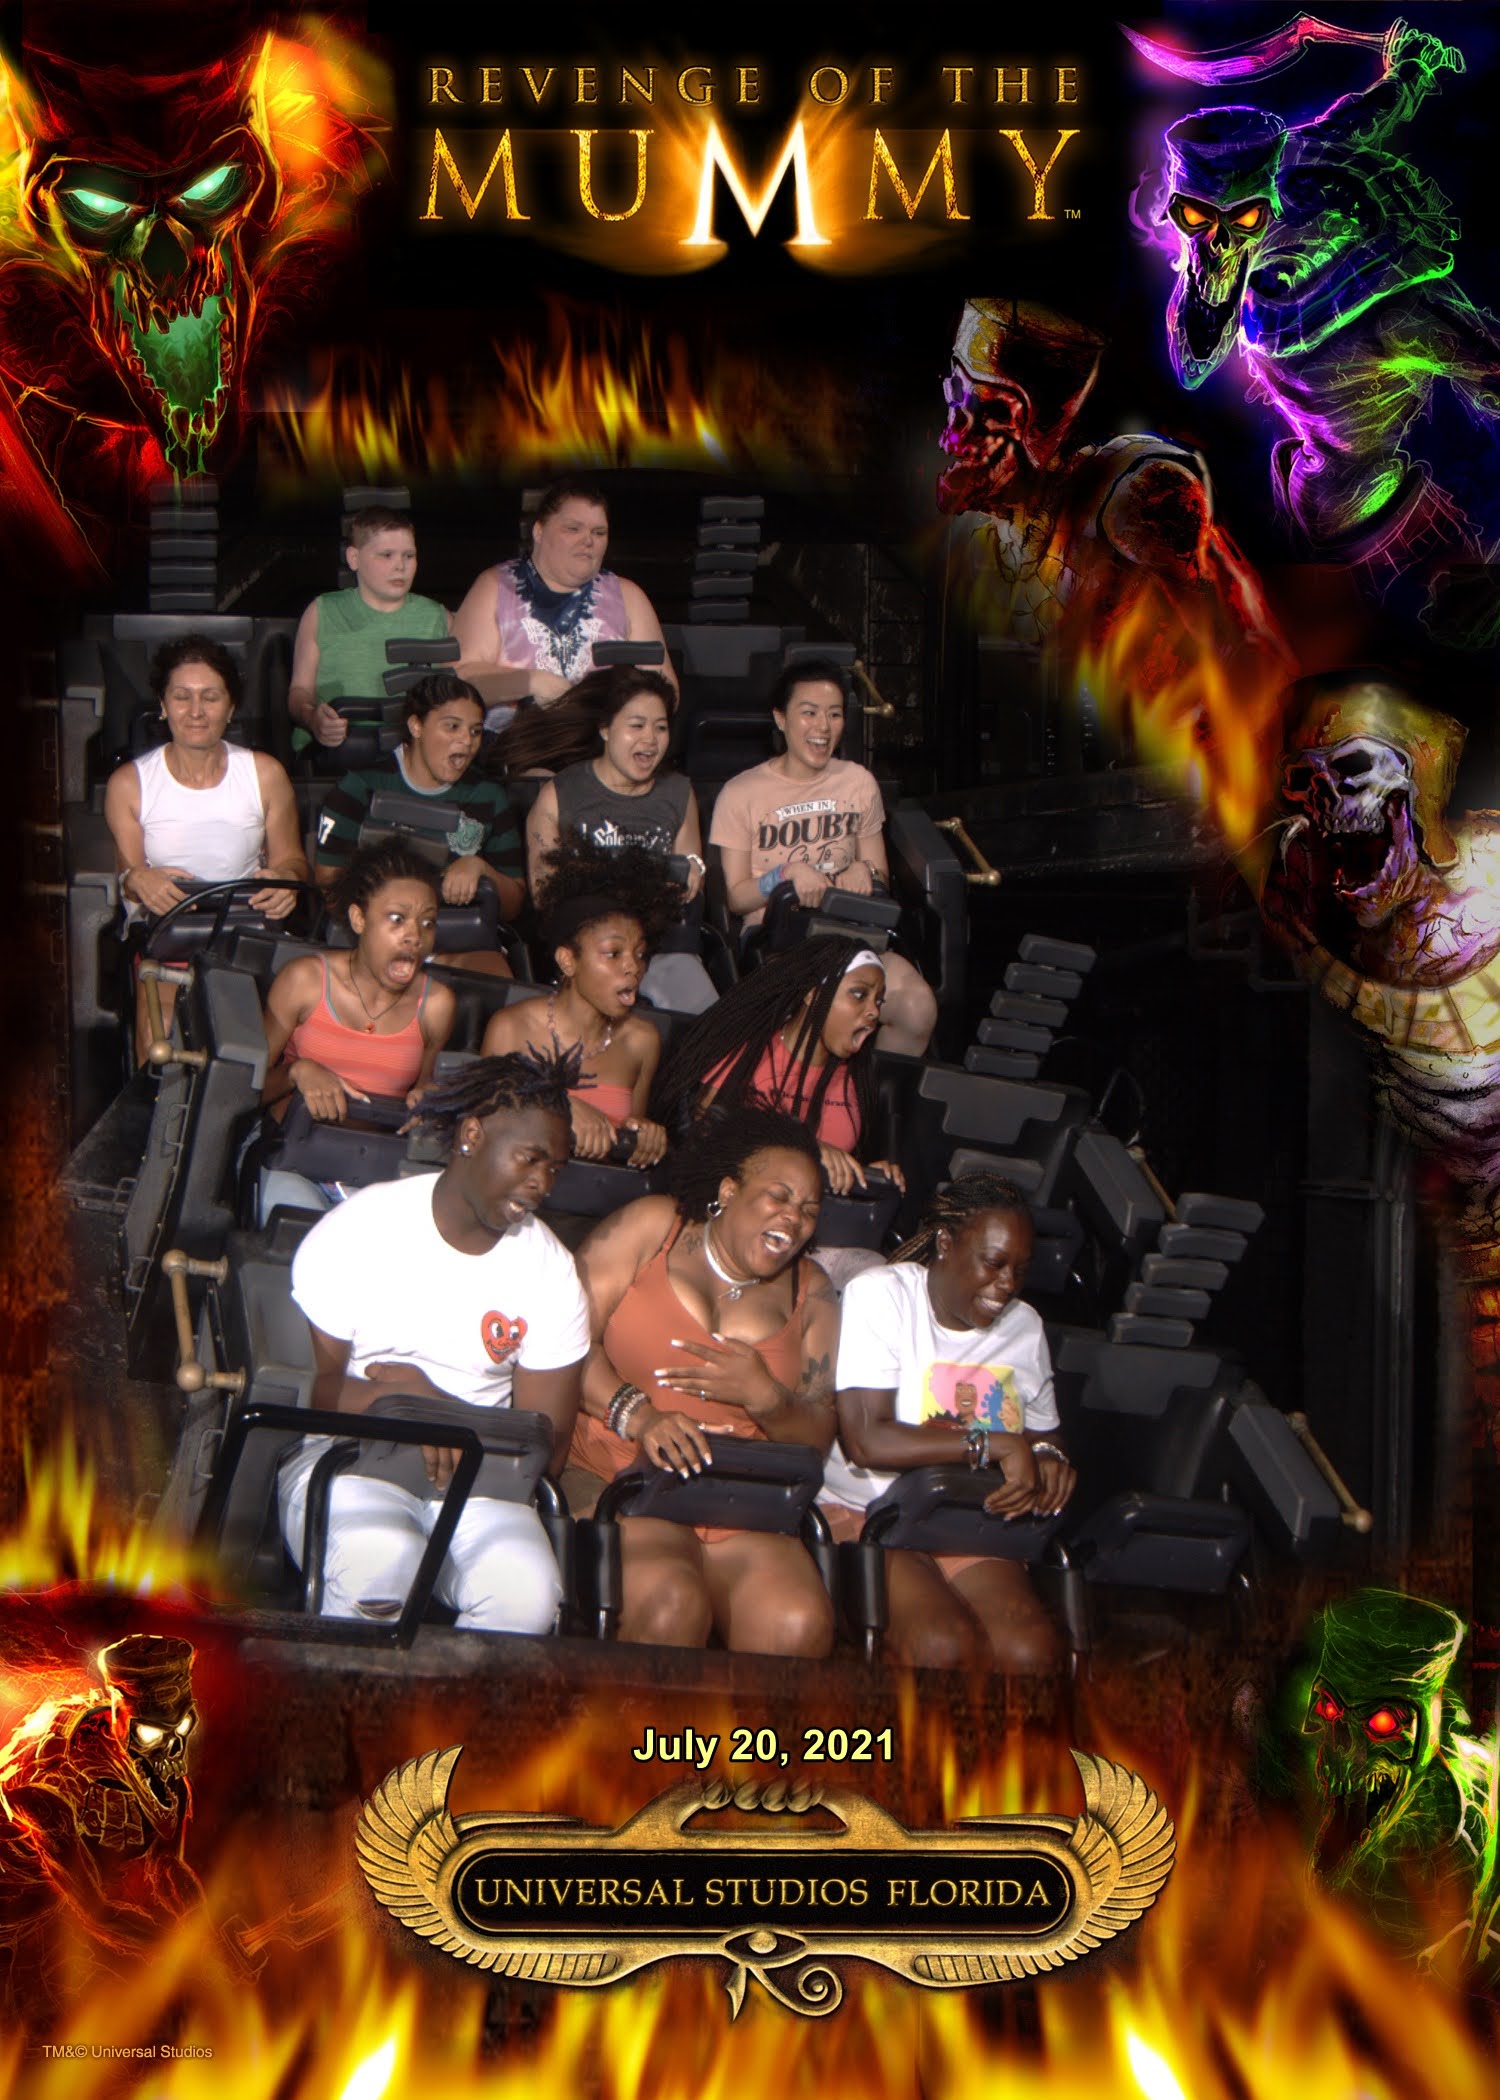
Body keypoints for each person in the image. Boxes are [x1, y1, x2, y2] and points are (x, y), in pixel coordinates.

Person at [277, 1050, 588, 1634]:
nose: (543, 1183)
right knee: (380, 1560)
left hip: (482, 1477)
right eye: (530, 1158)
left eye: (556, 1168)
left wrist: (436, 1412)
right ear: (471, 1136)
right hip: (349, 1457)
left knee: (527, 1597)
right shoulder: (363, 1227)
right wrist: (406, 1411)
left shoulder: (551, 1268)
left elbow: (548, 1444)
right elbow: (309, 1393)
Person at [568, 1107, 839, 1657]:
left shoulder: (813, 1290)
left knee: (798, 1623)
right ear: (729, 1190)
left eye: (809, 1210)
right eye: (779, 1196)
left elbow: (818, 1436)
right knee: (671, 1602)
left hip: (739, 1500)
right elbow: (562, 1343)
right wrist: (642, 1416)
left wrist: (766, 1398)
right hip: (623, 1476)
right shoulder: (654, 1227)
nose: (794, 1219)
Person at [822, 1173, 1077, 1673]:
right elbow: (866, 1441)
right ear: (945, 1243)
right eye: (994, 1263)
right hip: (872, 1514)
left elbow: (1045, 1432)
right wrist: (994, 1444)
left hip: (970, 1520)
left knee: (1029, 1653)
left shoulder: (1025, 1327)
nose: (1007, 1285)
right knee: (940, 1645)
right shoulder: (884, 1296)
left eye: (1020, 1270)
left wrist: (1050, 1457)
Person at [709, 658, 937, 1054]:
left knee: (917, 1007)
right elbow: (735, 897)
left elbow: (879, 872)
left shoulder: (857, 782)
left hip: (850, 932)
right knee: (827, 1007)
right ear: (780, 718)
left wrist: (864, 871)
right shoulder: (740, 793)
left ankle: (870, 1089)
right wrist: (785, 874)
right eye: (809, 713)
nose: (823, 727)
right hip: (780, 938)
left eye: (834, 714)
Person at [104, 635, 307, 1059]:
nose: (196, 711)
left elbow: (292, 860)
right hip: (169, 935)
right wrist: (140, 879)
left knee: (266, 1045)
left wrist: (285, 880)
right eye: (182, 697)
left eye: (210, 697)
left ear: (230, 708)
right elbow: (128, 876)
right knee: (160, 1042)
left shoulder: (264, 774)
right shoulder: (131, 783)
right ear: (163, 705)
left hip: (246, 930)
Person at [520, 664, 714, 1014]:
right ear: (606, 728)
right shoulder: (560, 794)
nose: (650, 739)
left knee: (708, 1021)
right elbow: (544, 895)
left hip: (663, 949)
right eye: (637, 726)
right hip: (590, 953)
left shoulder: (678, 792)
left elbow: (689, 874)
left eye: (660, 727)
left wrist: (692, 872)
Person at [650, 935, 904, 1197]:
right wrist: (805, 1150)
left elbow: (838, 1171)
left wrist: (867, 1175)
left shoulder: (856, 1081)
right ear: (813, 994)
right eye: (859, 995)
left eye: (879, 1001)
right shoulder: (747, 1054)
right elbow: (707, 1139)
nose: (874, 1011)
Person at [481, 841, 680, 1169]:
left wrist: (644, 1136)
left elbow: (627, 1145)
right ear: (568, 961)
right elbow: (487, 1131)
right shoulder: (511, 1027)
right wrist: (559, 1109)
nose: (633, 967)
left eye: (640, 954)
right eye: (613, 953)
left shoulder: (642, 1041)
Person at [312, 670, 524, 975]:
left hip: (458, 942)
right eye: (452, 726)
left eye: (476, 731)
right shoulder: (360, 786)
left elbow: (514, 904)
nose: (466, 741)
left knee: (494, 976)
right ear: (416, 726)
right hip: (374, 939)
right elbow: (328, 882)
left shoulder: (488, 796)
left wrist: (479, 868)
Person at [262, 840, 456, 1127]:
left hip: (377, 1152)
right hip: (288, 1144)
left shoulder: (436, 1005)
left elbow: (424, 1095)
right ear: (358, 919)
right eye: (397, 919)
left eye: (427, 923)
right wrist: (295, 1073)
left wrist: (427, 1102)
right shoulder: (305, 981)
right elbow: (244, 1089)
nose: (415, 936)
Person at [452, 477, 676, 718]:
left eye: (599, 532)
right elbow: (459, 679)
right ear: (539, 531)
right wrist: (531, 682)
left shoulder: (628, 596)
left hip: (601, 736)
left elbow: (666, 691)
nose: (588, 540)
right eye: (573, 529)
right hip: (515, 736)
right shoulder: (495, 587)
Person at [286, 506, 451, 752]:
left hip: (412, 751)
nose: (400, 566)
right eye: (387, 555)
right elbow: (300, 691)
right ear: (354, 558)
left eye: (409, 556)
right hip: (336, 752)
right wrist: (312, 717)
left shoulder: (437, 617)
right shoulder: (322, 611)